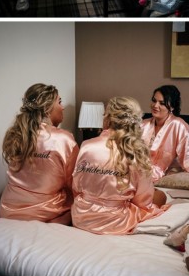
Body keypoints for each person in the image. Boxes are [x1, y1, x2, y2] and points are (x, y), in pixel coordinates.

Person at [71, 96, 168, 235]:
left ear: (108, 118)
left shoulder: (86, 145)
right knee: (161, 196)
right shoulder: (136, 153)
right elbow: (142, 201)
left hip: (81, 216)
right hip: (115, 221)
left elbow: (76, 187)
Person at [0, 83, 78, 224]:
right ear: (47, 108)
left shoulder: (17, 134)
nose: (63, 107)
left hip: (8, 212)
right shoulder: (63, 140)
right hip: (47, 216)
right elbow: (76, 185)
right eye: (59, 102)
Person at [141, 85, 189, 182]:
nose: (155, 105)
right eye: (154, 101)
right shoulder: (143, 125)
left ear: (172, 107)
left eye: (162, 103)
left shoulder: (179, 126)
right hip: (141, 175)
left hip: (169, 179)